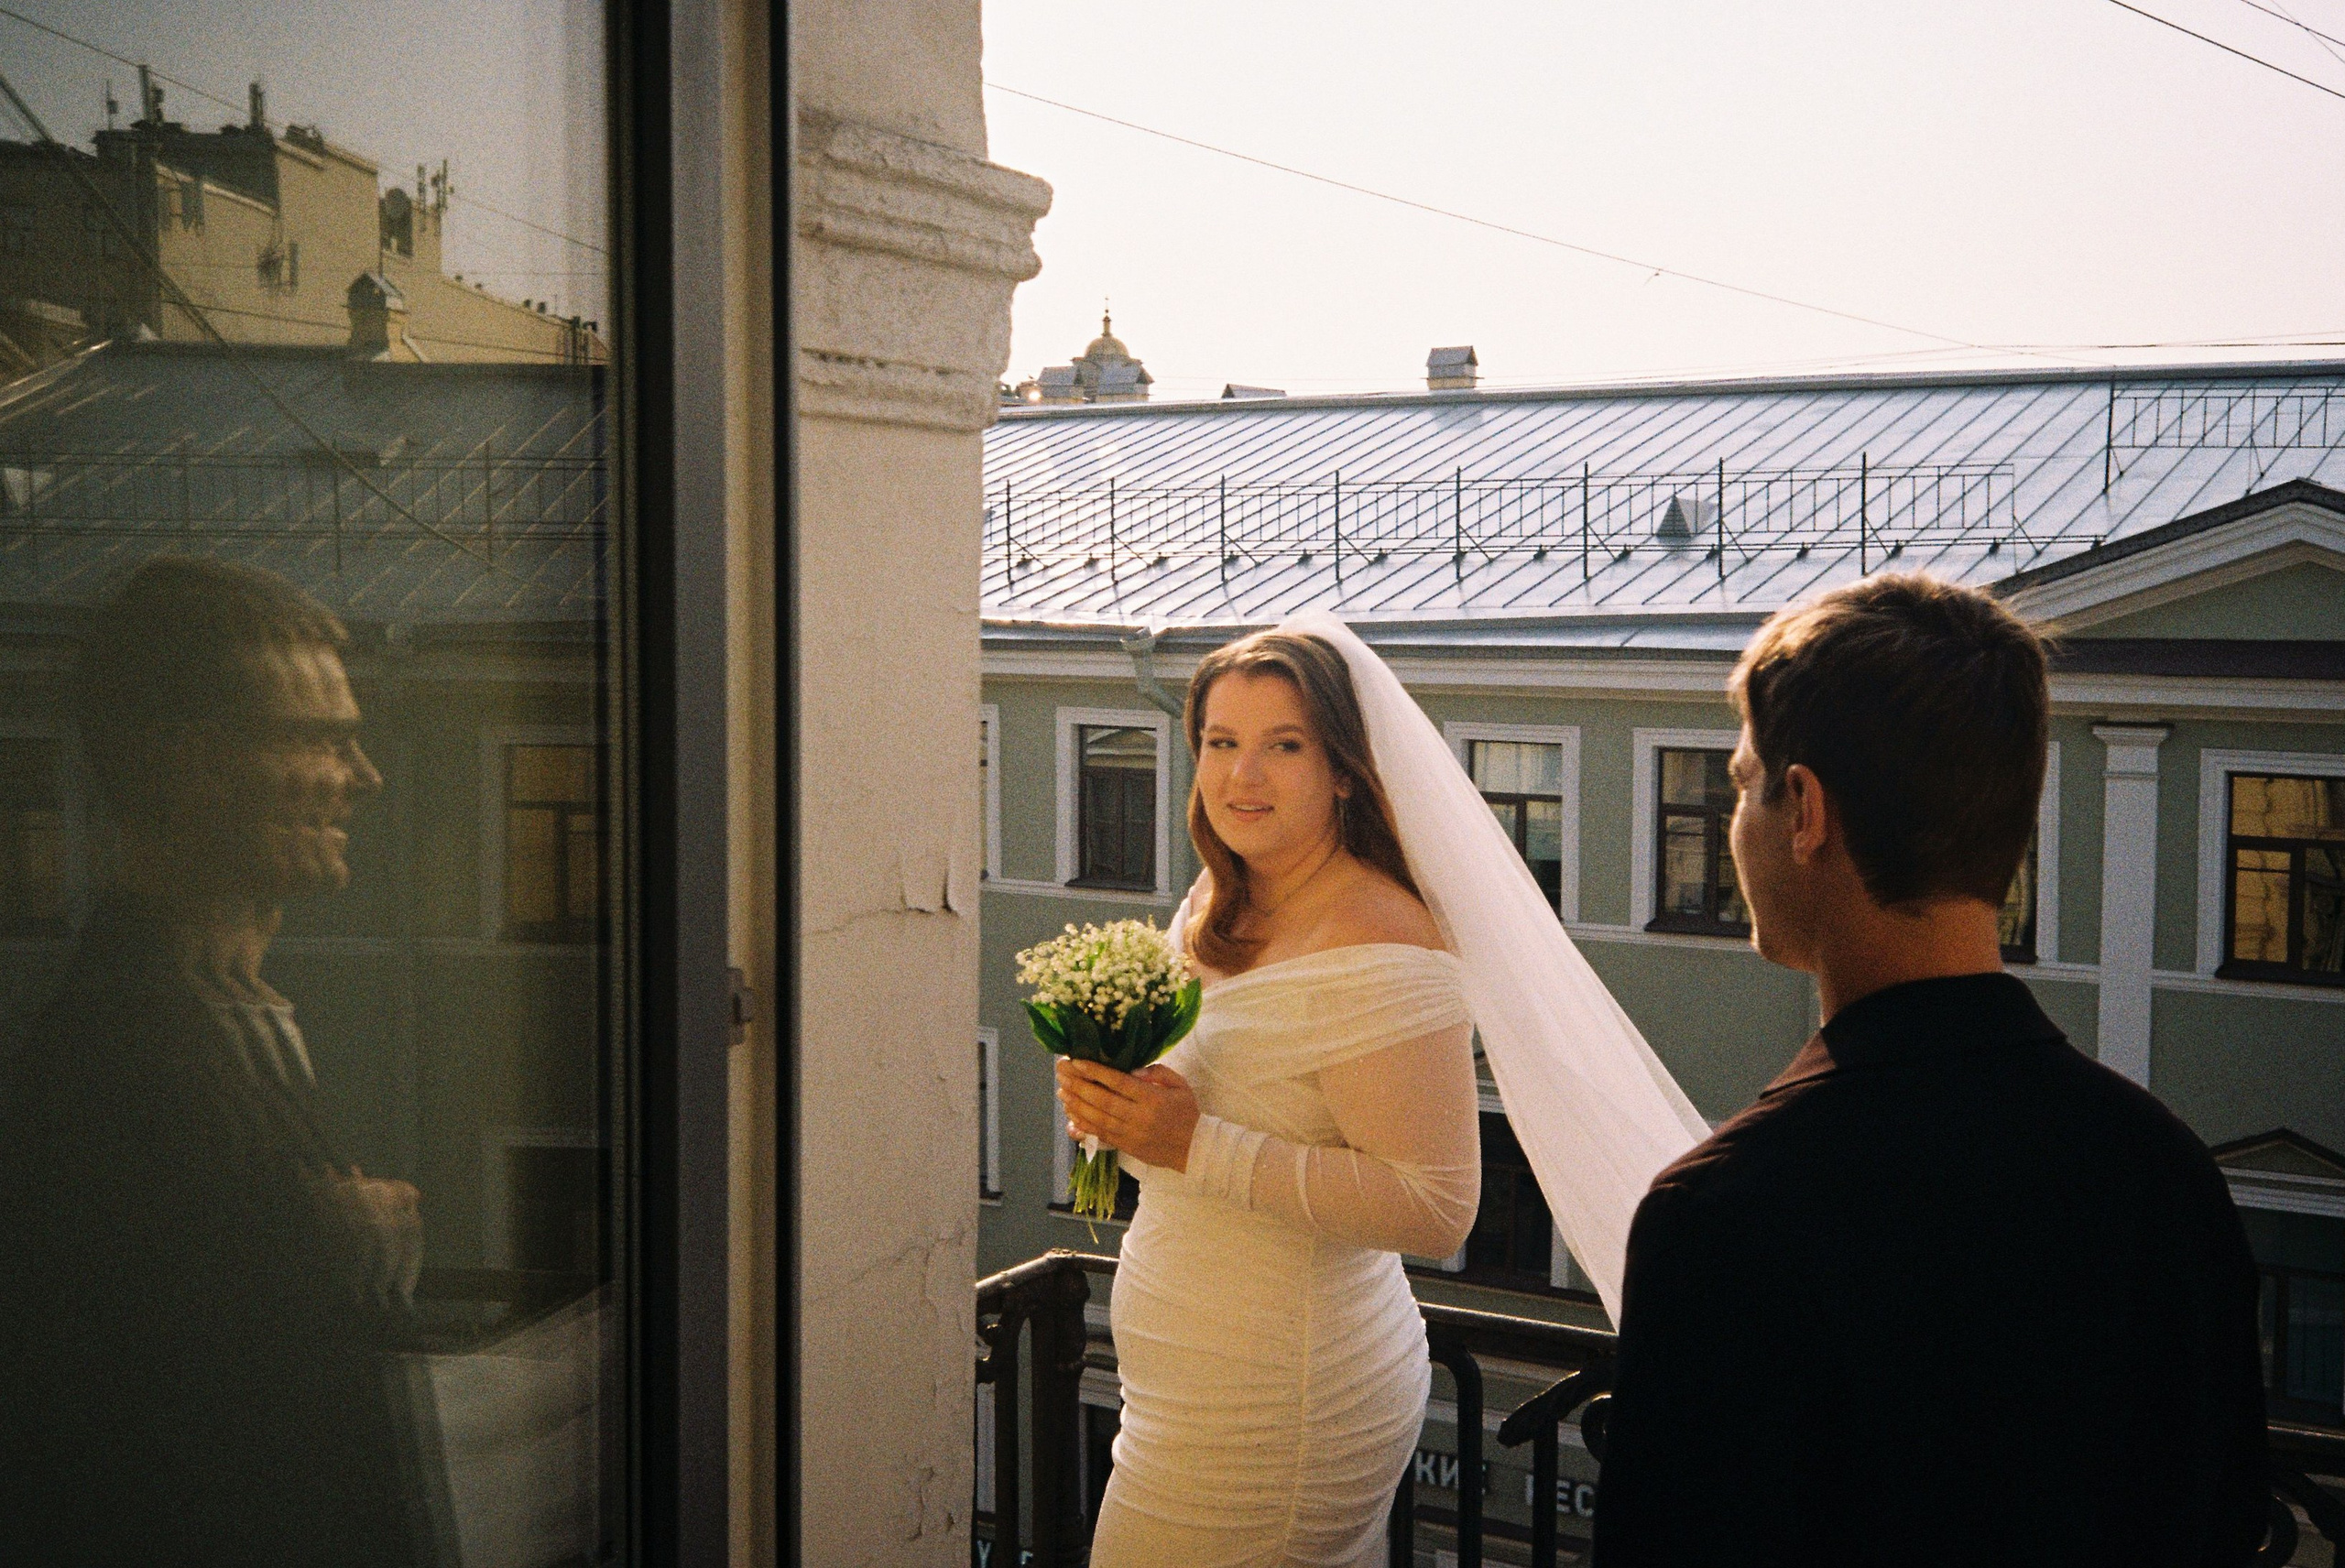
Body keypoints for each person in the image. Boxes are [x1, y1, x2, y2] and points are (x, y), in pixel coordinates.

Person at [1592, 575, 2271, 1568]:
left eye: (1738, 781)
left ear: (1804, 809)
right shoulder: (2166, 1173)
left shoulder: (1725, 1214)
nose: (1732, 819)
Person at [1057, 615, 1707, 1568]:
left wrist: (1194, 1142)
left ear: (1345, 769)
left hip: (1280, 1400)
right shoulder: (1218, 897)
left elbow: (1437, 1205)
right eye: (1221, 743)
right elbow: (1206, 1105)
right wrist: (1111, 1107)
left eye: (1283, 745)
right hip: (1183, 1388)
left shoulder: (1381, 931)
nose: (1243, 775)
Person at [0, 557, 428, 1566]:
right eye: (321, 740)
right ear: (184, 763)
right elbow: (138, 1431)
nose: (363, 775)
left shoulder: (216, 1013)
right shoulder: (111, 1064)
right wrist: (302, 1249)